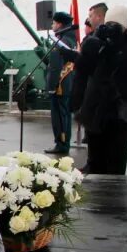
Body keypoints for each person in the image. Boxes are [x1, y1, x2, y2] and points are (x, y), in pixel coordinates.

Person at [78, 6, 127, 174]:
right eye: (109, 23)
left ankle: (114, 195)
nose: (112, 27)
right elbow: (86, 68)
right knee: (96, 158)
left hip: (122, 108)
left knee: (116, 160)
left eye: (115, 23)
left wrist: (118, 47)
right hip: (98, 106)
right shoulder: (99, 40)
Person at [59, 2, 107, 172]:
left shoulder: (100, 39)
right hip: (87, 87)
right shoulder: (94, 37)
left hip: (94, 88)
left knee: (95, 129)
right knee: (92, 130)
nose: (89, 18)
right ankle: (92, 163)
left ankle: (95, 165)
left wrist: (70, 55)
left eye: (92, 15)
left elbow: (87, 63)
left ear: (100, 17)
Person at [44, 12, 76, 155]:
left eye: (54, 23)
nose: (52, 26)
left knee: (59, 116)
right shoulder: (71, 39)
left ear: (60, 24)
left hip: (60, 85)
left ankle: (61, 143)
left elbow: (56, 66)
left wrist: (50, 87)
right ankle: (64, 142)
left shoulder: (61, 42)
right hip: (67, 83)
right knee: (65, 115)